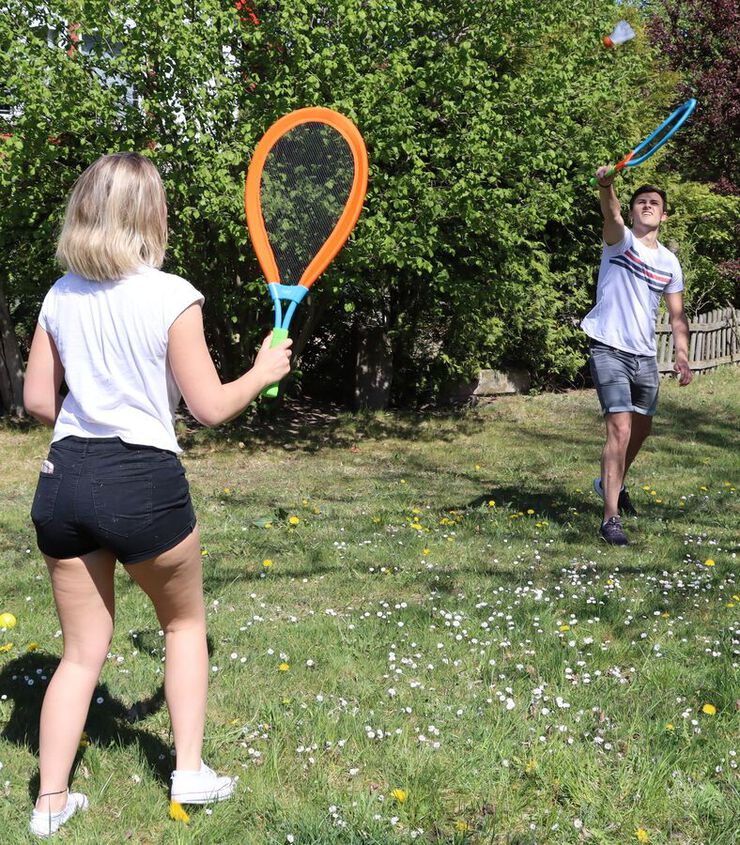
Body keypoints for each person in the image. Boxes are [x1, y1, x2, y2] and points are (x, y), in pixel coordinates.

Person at [22, 151, 292, 837]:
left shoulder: (59, 294)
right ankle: (190, 773)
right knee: (184, 625)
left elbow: (34, 400)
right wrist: (262, 372)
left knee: (82, 651)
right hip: (143, 481)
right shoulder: (174, 294)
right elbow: (207, 406)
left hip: (65, 480)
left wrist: (93, 415)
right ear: (150, 214)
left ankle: (49, 803)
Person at [581, 167, 692, 546]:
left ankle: (609, 483)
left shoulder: (669, 263)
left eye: (655, 203)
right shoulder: (619, 241)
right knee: (621, 428)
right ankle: (610, 519)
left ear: (663, 216)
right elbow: (609, 214)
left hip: (644, 356)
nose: (647, 206)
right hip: (609, 346)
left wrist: (682, 354)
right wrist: (606, 185)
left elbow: (677, 314)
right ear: (632, 213)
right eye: (641, 202)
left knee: (642, 428)